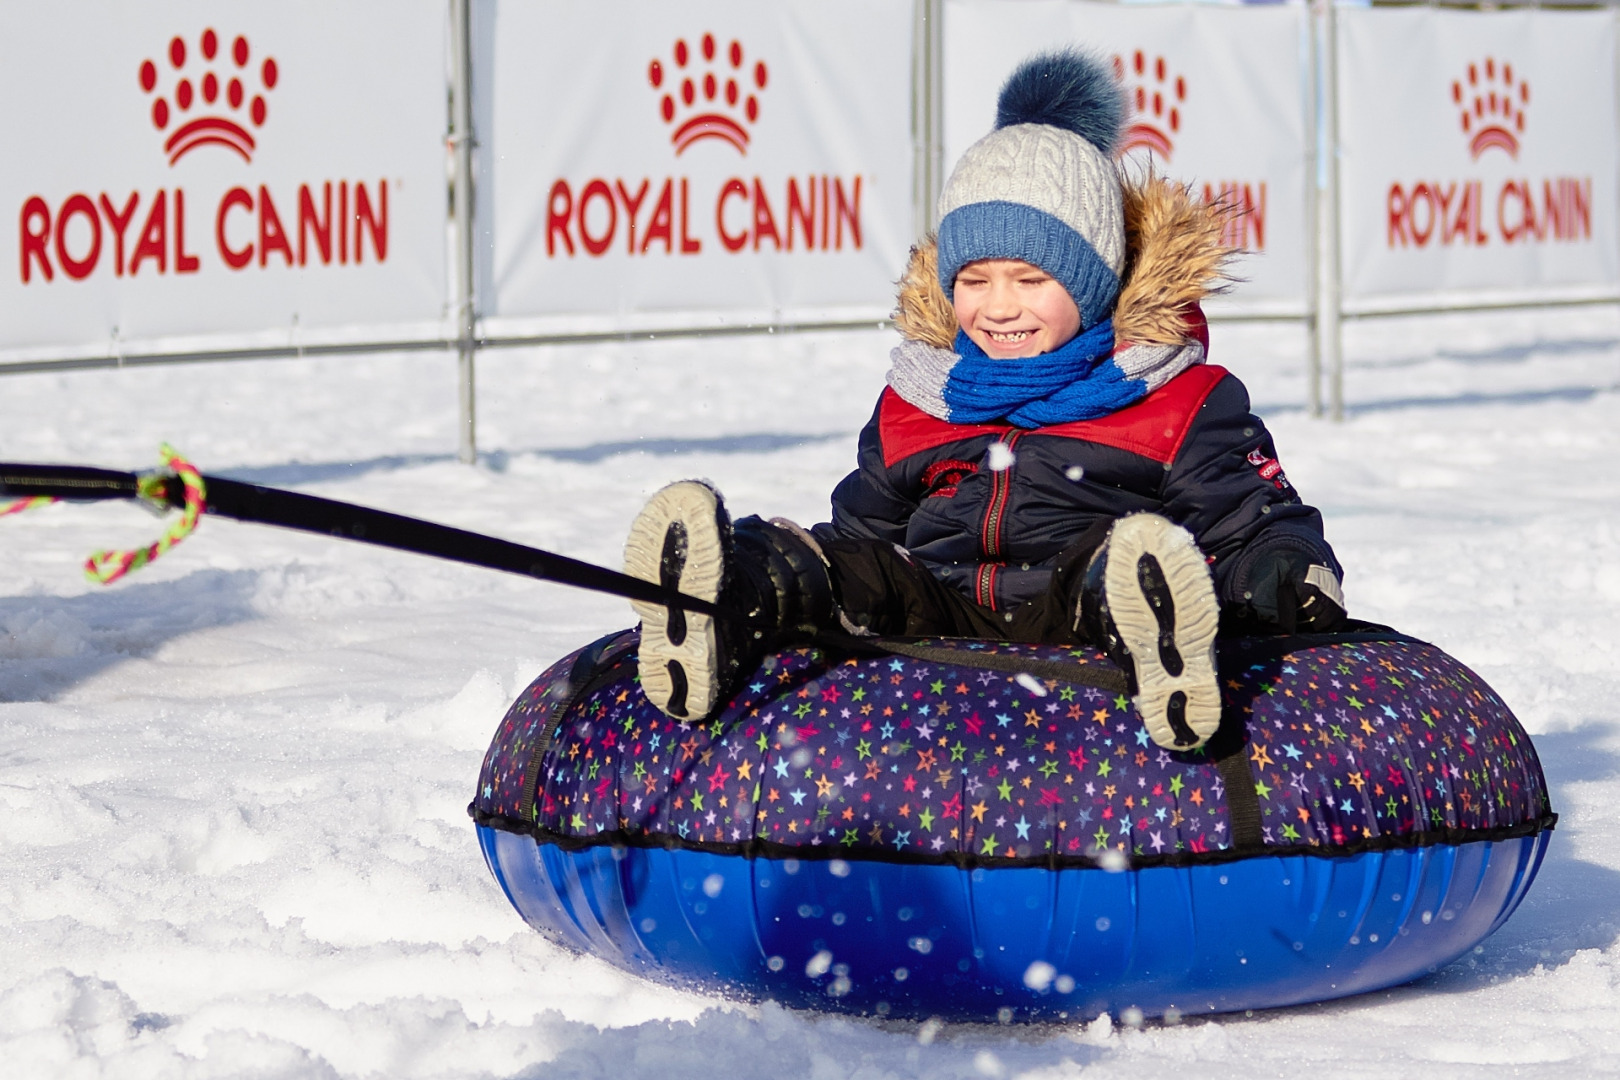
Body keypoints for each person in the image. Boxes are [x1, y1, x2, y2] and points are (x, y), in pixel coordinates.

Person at [622, 51, 1345, 752]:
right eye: (974, 279)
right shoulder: (920, 400)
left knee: (1114, 557)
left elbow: (1257, 522)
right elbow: (865, 534)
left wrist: (1285, 578)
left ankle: (1156, 631)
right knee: (850, 570)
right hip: (937, 617)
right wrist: (821, 565)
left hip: (1079, 619)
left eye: (1030, 280)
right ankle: (723, 597)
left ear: (1093, 282)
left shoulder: (1176, 400)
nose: (999, 307)